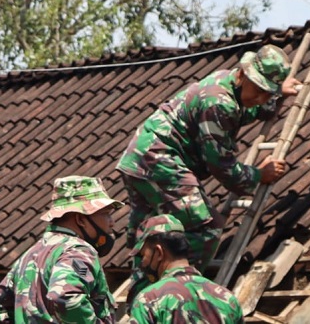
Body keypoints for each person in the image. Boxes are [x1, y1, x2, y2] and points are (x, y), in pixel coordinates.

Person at [116, 44, 300, 303]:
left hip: (140, 161)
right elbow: (221, 166)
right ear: (242, 75)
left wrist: (277, 96)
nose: (260, 99)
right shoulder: (218, 101)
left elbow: (244, 111)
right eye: (259, 90)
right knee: (206, 227)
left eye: (265, 93)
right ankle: (178, 296)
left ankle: (143, 296)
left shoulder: (228, 88)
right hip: (158, 160)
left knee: (151, 235)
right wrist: (259, 175)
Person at [0, 175, 123, 323]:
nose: (112, 222)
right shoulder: (77, 251)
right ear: (80, 219)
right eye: (106, 214)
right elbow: (65, 297)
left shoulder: (32, 253)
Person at [128, 214, 244, 324]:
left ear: (159, 252)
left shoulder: (148, 299)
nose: (142, 262)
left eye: (143, 255)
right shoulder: (228, 299)